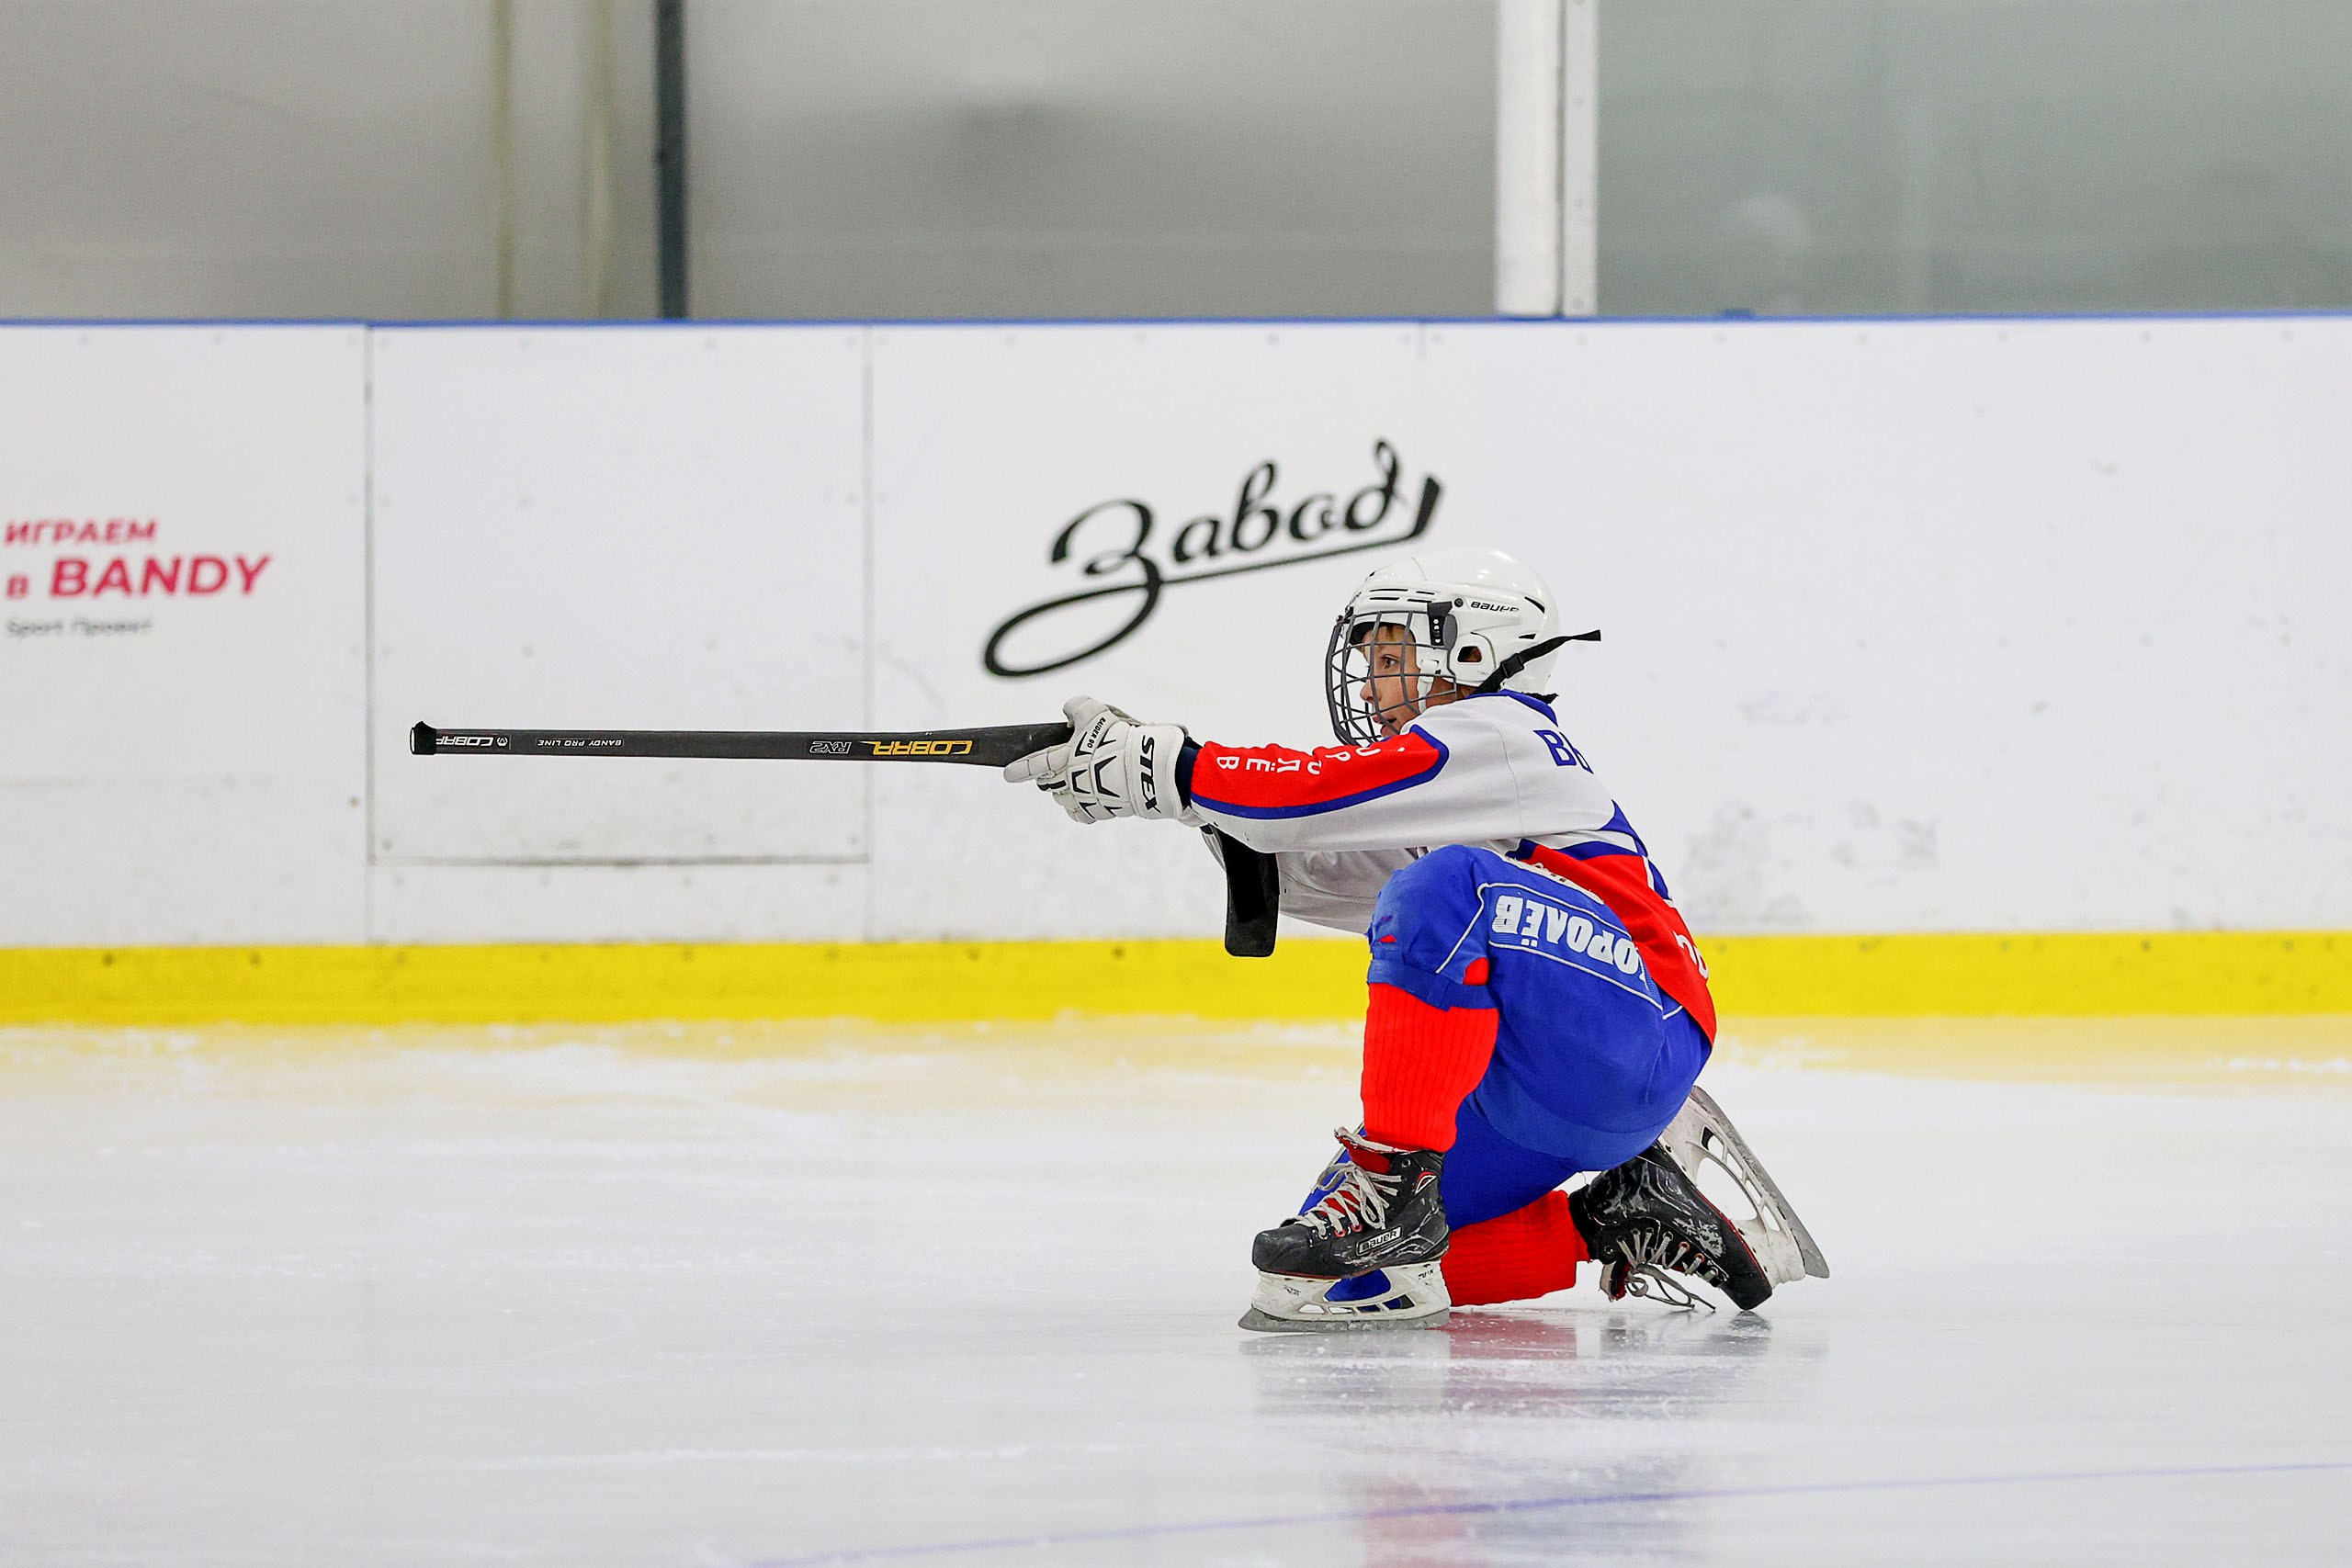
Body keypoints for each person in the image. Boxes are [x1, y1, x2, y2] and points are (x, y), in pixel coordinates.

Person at [1004, 546, 1826, 1328]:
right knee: (1326, 1280)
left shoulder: (1504, 733)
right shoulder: (1459, 797)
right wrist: (1165, 794)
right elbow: (1316, 867)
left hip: (1640, 1034)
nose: (1374, 677)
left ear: (1473, 652)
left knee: (1443, 887)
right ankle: (1613, 1218)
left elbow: (1318, 796)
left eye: (1395, 654)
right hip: (1538, 1088)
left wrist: (1175, 765)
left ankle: (1394, 1177)